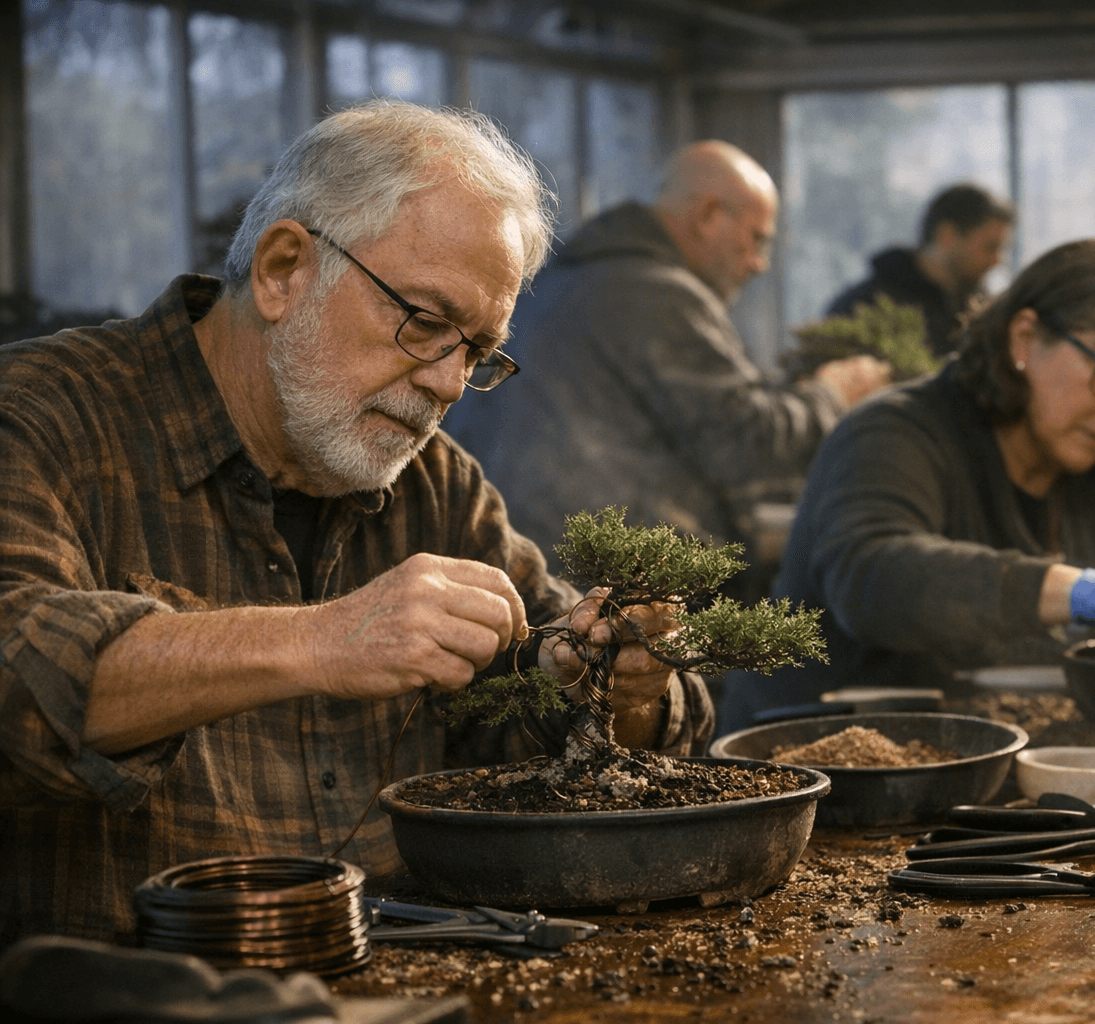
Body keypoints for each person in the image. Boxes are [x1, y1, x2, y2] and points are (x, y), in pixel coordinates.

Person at [0, 100, 711, 944]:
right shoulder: (43, 417)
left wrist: (613, 678)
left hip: (427, 982)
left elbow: (600, 711)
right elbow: (16, 667)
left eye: (478, 350)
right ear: (283, 270)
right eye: (425, 322)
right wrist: (320, 641)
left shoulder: (435, 485)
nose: (449, 384)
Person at [720, 238, 1095, 732]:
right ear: (1025, 338)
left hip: (998, 759)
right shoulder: (894, 432)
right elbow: (872, 578)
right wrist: (1086, 591)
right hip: (815, 764)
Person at [443, 141, 889, 579]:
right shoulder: (659, 294)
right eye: (757, 239)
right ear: (710, 215)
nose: (760, 264)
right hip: (606, 575)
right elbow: (743, 443)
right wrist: (832, 396)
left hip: (520, 550)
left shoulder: (568, 278)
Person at [825, 183, 1015, 358]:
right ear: (947, 235)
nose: (998, 260)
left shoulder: (981, 310)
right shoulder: (863, 307)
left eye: (1003, 249)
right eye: (990, 247)